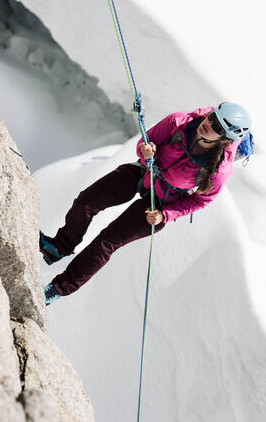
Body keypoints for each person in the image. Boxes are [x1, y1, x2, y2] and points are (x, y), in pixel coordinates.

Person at [39, 102, 251, 305]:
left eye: (217, 127)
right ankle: (59, 247)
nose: (209, 123)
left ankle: (60, 288)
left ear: (225, 140)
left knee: (107, 242)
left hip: (162, 203)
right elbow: (146, 141)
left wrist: (165, 215)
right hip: (143, 172)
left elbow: (200, 200)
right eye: (212, 116)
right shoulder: (179, 122)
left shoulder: (219, 171)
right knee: (87, 202)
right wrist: (146, 150)